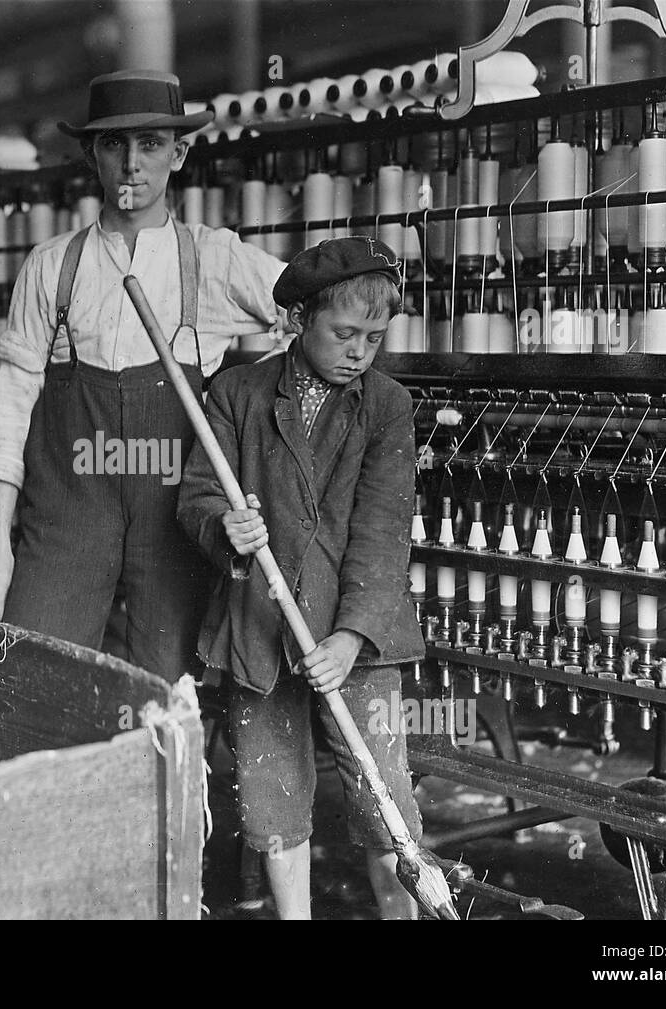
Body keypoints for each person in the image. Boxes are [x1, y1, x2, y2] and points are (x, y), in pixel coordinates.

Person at [0, 69, 285, 682]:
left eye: (150, 144)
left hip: (173, 512)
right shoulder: (50, 267)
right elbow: (10, 406)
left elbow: (318, 306)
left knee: (168, 691)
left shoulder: (213, 258)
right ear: (92, 155)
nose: (132, 165)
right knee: (33, 667)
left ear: (180, 152)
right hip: (69, 507)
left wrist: (258, 396)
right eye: (115, 145)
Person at [177, 237, 427, 919]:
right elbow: (197, 496)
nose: (359, 351)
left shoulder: (387, 406)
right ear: (296, 321)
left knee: (385, 802)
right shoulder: (235, 394)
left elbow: (382, 534)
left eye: (374, 338)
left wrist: (352, 635)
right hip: (260, 630)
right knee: (273, 800)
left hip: (357, 640)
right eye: (344, 333)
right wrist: (225, 528)